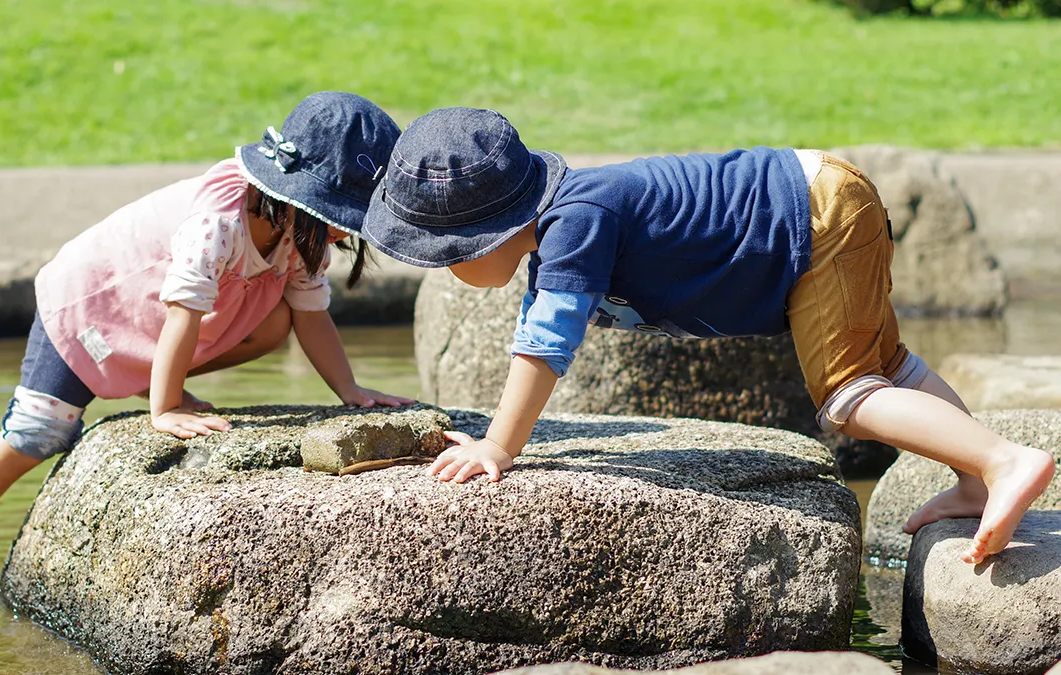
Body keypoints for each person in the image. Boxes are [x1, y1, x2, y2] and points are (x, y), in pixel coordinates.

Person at [361, 106, 1054, 566]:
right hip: (822, 195)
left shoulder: (576, 220)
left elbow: (545, 345)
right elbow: (539, 321)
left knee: (848, 394)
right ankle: (974, 477)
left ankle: (1001, 461)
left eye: (448, 252)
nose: (447, 270)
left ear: (492, 230)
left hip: (815, 215)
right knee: (887, 367)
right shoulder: (565, 228)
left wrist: (499, 446)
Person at [0, 92, 414, 604]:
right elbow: (183, 311)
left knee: (276, 322)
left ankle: (158, 380)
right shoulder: (219, 222)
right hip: (95, 307)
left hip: (161, 319)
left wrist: (349, 389)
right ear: (292, 197)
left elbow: (311, 314)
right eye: (340, 217)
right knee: (38, 434)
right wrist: (166, 407)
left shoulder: (301, 234)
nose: (343, 232)